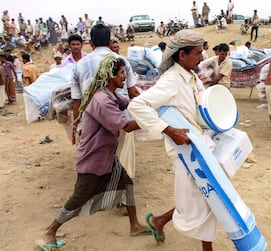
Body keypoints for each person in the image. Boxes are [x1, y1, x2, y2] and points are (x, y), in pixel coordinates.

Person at [41, 54, 144, 250]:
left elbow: (128, 103)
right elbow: (127, 126)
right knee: (79, 198)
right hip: (94, 159)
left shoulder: (110, 94)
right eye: (122, 73)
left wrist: (147, 101)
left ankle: (135, 225)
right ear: (111, 75)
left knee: (127, 183)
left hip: (106, 156)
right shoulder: (102, 100)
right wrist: (154, 121)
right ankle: (50, 230)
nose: (125, 76)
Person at [128, 29, 216, 251]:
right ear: (182, 55)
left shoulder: (191, 76)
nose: (202, 57)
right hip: (185, 152)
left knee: (204, 199)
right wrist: (168, 130)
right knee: (207, 200)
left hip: (199, 145)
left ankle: (160, 220)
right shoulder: (171, 80)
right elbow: (137, 105)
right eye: (198, 53)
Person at [70, 24, 145, 236]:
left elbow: (77, 100)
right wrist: (146, 110)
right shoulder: (121, 62)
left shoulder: (79, 65)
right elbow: (131, 92)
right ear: (110, 40)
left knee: (97, 157)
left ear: (90, 43)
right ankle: (122, 202)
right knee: (123, 156)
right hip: (118, 117)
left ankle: (98, 196)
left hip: (92, 120)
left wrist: (77, 124)